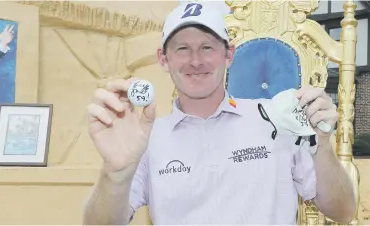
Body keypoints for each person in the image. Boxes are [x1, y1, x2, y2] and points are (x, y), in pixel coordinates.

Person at [83, 2, 356, 225]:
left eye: (207, 47)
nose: (196, 60)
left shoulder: (278, 120)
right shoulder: (145, 138)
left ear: (228, 54)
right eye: (182, 48)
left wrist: (321, 146)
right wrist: (115, 172)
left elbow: (343, 212)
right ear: (163, 58)